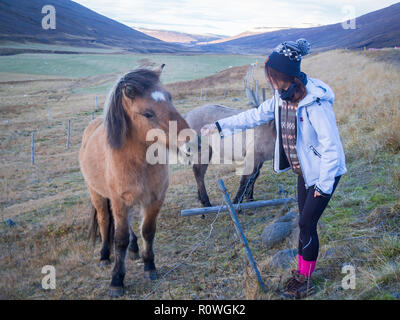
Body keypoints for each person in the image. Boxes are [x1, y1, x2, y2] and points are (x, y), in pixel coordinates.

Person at [200, 39, 347, 299]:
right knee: (305, 225)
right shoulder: (282, 98)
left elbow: (332, 149)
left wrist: (322, 188)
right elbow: (253, 115)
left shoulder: (315, 104)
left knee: (306, 223)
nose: (268, 80)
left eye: (270, 75)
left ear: (281, 75)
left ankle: (305, 280)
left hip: (323, 174)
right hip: (306, 172)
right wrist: (220, 126)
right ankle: (303, 273)